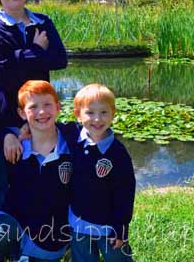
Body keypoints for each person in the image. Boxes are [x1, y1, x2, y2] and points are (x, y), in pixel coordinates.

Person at [0, 0, 68, 219]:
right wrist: (35, 50)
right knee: (2, 184)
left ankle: (42, 240)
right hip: (6, 120)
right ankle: (0, 242)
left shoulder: (43, 22)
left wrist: (21, 58)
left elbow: (60, 60)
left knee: (41, 182)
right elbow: (4, 77)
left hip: (39, 117)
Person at [0, 80, 72, 262]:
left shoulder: (72, 145)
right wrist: (6, 135)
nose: (41, 112)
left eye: (47, 105)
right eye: (33, 107)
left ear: (58, 107)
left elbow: (95, 127)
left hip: (53, 229)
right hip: (16, 218)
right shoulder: (16, 148)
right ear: (22, 113)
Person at [61, 84, 136, 262]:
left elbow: (125, 192)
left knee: (118, 258)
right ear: (77, 114)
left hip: (109, 226)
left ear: (113, 114)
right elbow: (50, 127)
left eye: (104, 112)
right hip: (78, 222)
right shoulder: (73, 137)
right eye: (90, 113)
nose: (97, 119)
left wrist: (121, 227)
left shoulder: (117, 153)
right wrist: (24, 130)